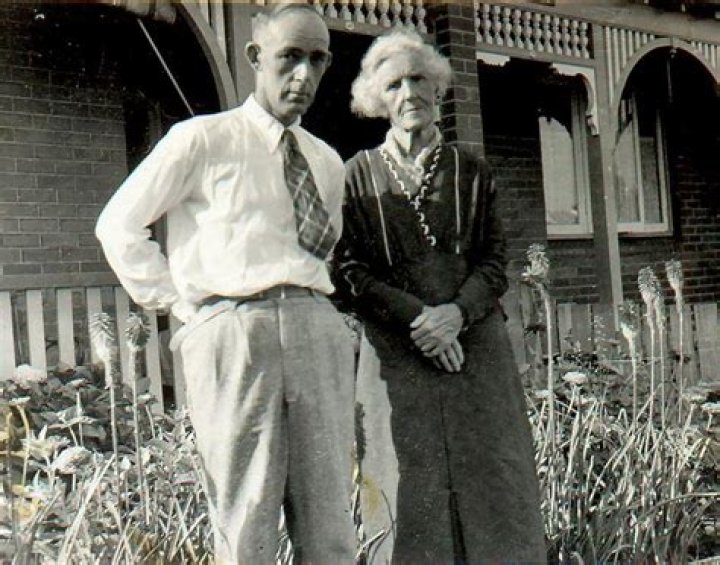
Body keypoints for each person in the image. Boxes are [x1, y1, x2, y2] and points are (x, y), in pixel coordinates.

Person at [96, 4, 357, 563]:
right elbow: (118, 224)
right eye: (290, 57)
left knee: (331, 518)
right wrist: (183, 308)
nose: (303, 75)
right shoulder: (202, 139)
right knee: (245, 517)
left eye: (317, 60)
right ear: (255, 57)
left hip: (315, 330)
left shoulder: (327, 161)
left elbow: (323, 248)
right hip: (234, 333)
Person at [334, 29, 547, 563]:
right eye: (395, 84)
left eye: (419, 79)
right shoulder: (356, 177)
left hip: (475, 350)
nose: (409, 93)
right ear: (377, 99)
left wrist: (455, 315)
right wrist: (419, 321)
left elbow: (494, 260)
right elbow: (348, 270)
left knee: (493, 485)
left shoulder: (472, 173)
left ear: (438, 88)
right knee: (406, 489)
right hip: (395, 353)